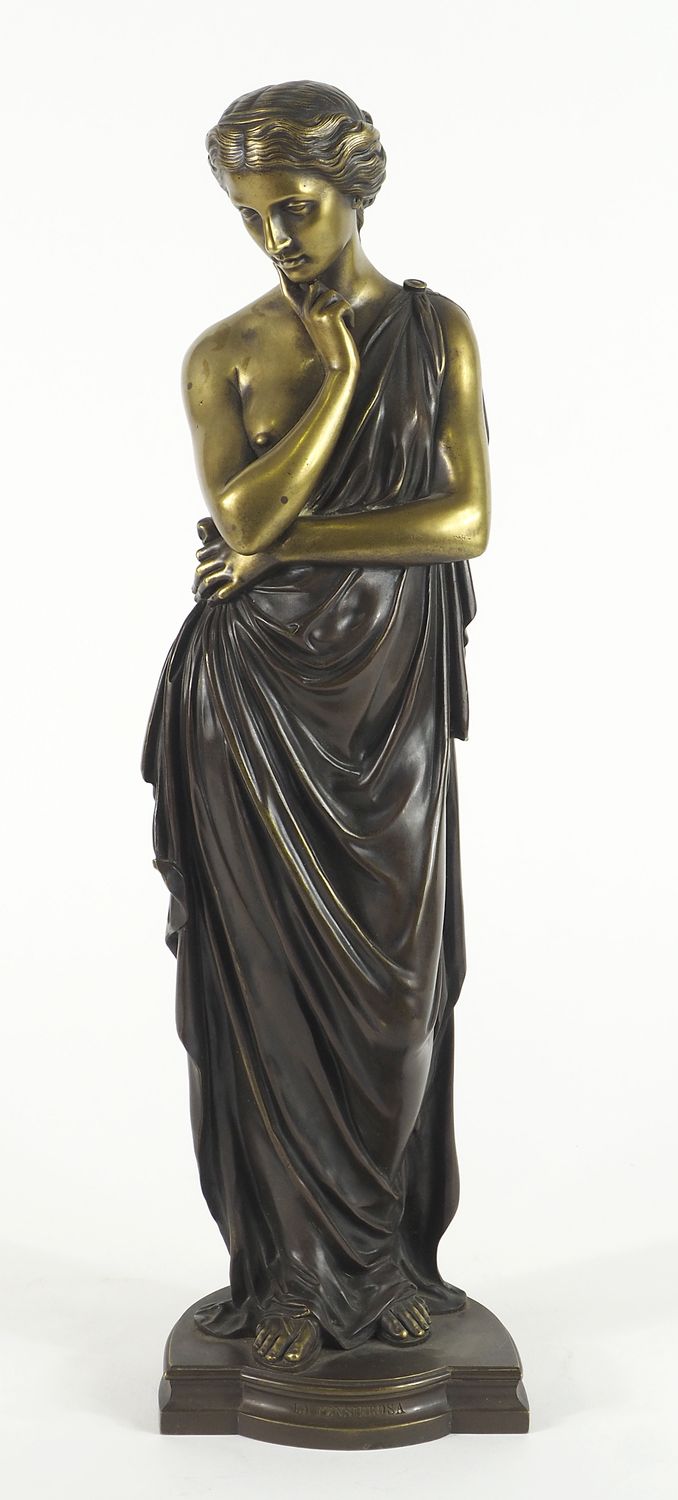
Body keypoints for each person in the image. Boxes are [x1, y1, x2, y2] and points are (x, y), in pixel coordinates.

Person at [143, 80, 490, 1373]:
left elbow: (462, 520)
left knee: (395, 993)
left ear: (355, 189)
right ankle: (295, 1274)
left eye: (294, 208)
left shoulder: (437, 332)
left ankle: (382, 1259)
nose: (276, 239)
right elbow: (239, 519)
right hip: (250, 706)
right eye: (250, 217)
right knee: (273, 997)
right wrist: (337, 380)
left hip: (388, 704)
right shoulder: (224, 354)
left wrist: (290, 545)